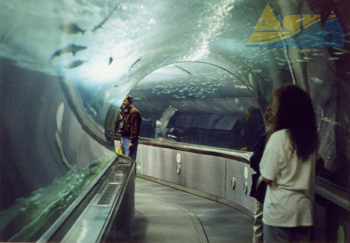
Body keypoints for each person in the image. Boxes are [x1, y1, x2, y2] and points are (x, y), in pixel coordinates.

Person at [259, 84, 319, 243]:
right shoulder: (310, 140)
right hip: (304, 212)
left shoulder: (279, 138)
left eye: (277, 104)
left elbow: (267, 177)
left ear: (285, 110)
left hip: (280, 213)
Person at [250, 105, 272, 243]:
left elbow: (254, 160)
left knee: (259, 221)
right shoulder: (302, 137)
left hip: (264, 188)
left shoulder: (269, 137)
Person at [115, 95, 141, 160]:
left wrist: (132, 141)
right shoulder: (126, 112)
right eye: (122, 101)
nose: (123, 103)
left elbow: (135, 128)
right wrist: (121, 142)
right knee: (124, 160)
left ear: (130, 101)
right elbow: (122, 126)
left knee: (129, 160)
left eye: (124, 101)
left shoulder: (134, 112)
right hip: (124, 139)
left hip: (129, 139)